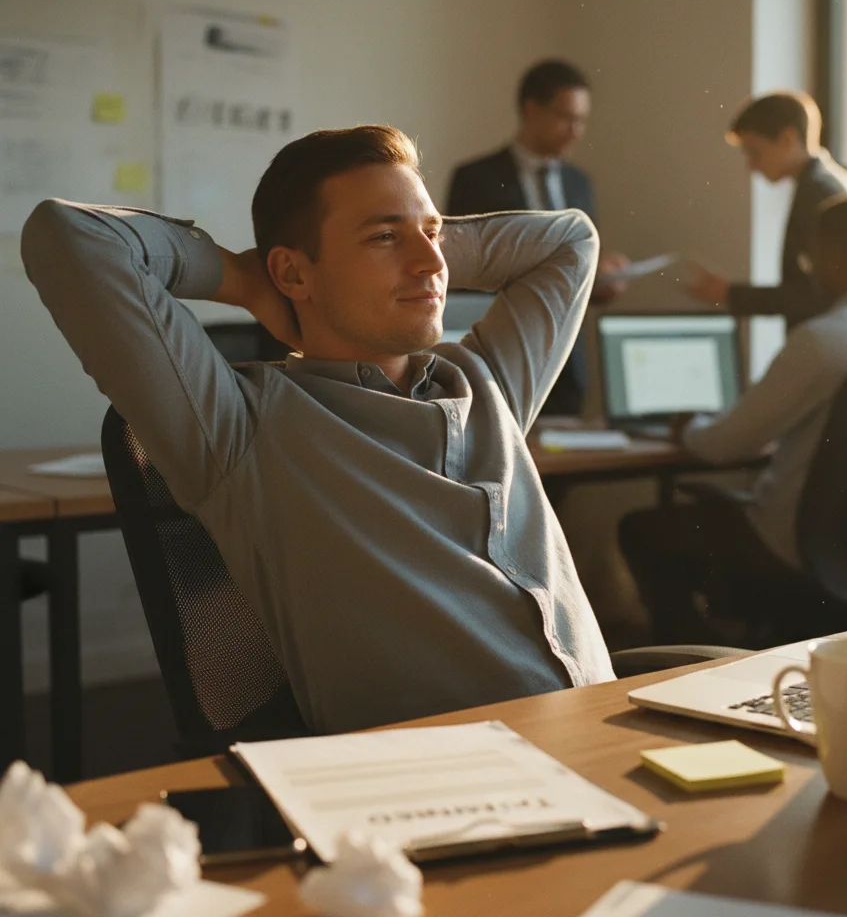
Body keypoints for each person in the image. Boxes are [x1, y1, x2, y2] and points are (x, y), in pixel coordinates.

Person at [22, 125, 615, 735]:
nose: (432, 263)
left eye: (433, 234)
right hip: (452, 781)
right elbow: (70, 237)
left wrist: (410, 239)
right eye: (383, 237)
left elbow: (570, 240)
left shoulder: (487, 380)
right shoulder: (238, 429)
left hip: (603, 732)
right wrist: (243, 277)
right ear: (294, 274)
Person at [620, 197, 847, 644]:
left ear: (832, 257)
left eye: (811, 257)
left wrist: (690, 427)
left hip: (794, 547)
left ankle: (693, 665)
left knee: (642, 530)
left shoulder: (821, 340)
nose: (810, 268)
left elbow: (724, 445)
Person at [446, 59, 627, 414]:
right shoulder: (476, 178)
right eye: (567, 118)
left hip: (567, 366)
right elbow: (461, 274)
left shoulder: (580, 182)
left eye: (582, 120)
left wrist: (601, 280)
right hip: (498, 358)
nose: (576, 131)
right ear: (532, 110)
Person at [686, 91, 847, 329]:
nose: (751, 165)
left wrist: (733, 295)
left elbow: (817, 294)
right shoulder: (826, 183)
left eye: (754, 151)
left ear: (788, 139)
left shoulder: (818, 194)